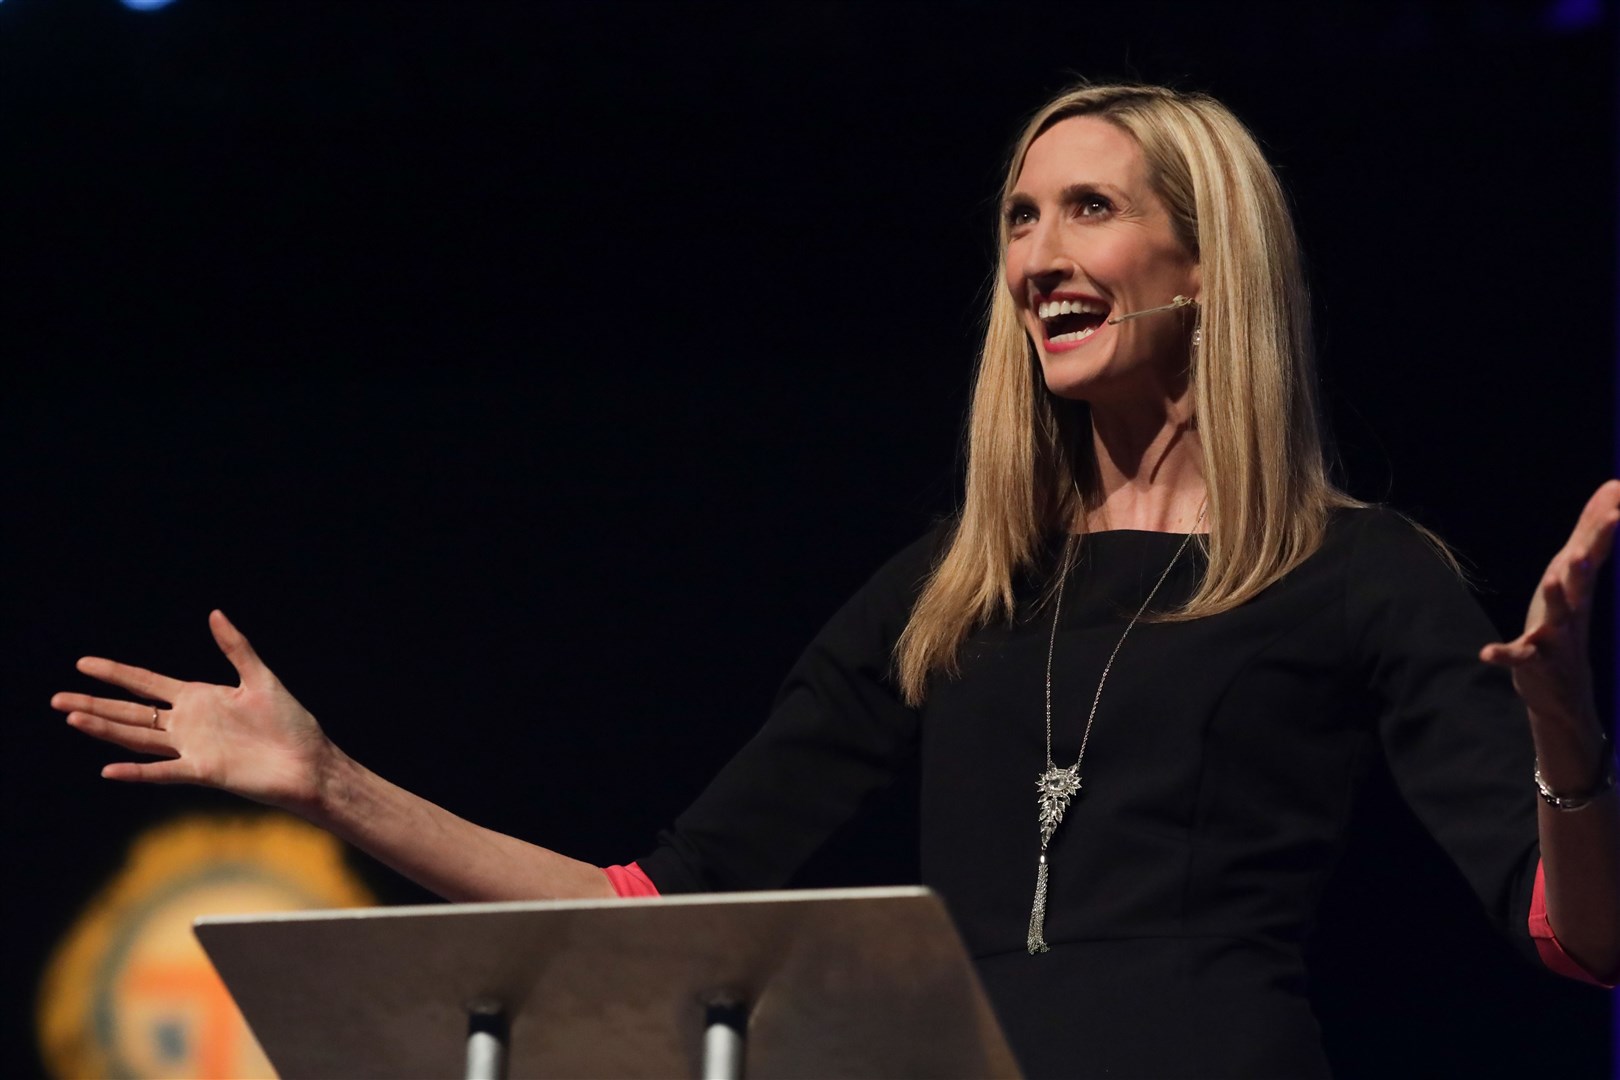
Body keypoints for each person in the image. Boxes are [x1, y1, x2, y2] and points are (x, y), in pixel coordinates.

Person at [52, 83, 1617, 1077]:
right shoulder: (954, 586)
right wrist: (333, 785)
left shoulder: (1360, 573)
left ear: (1210, 265)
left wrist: (1566, 738)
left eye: (1091, 208)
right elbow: (647, 909)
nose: (1036, 255)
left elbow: (1576, 938)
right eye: (1018, 216)